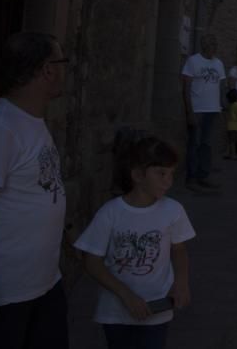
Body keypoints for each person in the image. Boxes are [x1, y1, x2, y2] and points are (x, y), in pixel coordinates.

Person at [0, 33, 68, 347]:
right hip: (6, 297)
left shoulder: (30, 121)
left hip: (44, 286)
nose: (64, 71)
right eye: (61, 62)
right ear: (47, 70)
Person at [74, 137, 194, 348]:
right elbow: (92, 261)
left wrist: (181, 282)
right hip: (116, 311)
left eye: (171, 174)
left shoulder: (173, 210)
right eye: (161, 173)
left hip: (157, 307)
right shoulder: (111, 213)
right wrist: (126, 295)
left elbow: (179, 249)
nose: (168, 181)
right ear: (138, 175)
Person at [180, 34, 225, 193]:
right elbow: (186, 88)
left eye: (215, 43)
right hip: (197, 110)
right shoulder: (193, 61)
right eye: (211, 43)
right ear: (204, 45)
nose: (214, 46)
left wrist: (220, 107)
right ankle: (191, 178)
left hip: (212, 110)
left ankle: (204, 176)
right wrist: (189, 112)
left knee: (206, 145)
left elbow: (219, 87)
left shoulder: (219, 63)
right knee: (194, 144)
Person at [223, 89, 237, 160]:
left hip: (230, 125)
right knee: (233, 141)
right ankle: (233, 154)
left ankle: (230, 153)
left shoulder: (231, 105)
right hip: (235, 126)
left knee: (231, 140)